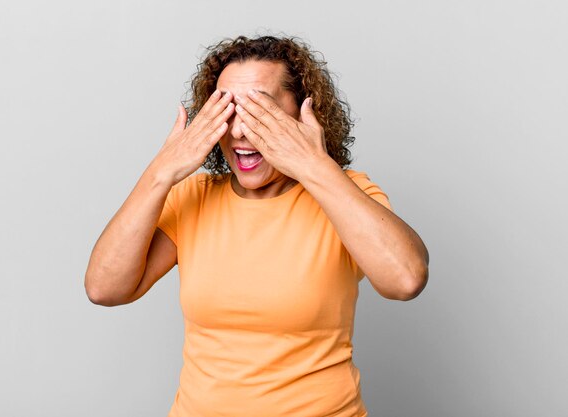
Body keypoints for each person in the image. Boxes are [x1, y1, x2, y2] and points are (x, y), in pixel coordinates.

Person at [85, 35, 429, 417]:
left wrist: (313, 165)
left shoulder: (345, 196)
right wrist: (161, 172)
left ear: (301, 115)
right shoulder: (193, 198)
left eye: (258, 111)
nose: (238, 132)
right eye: (227, 111)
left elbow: (405, 279)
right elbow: (104, 288)